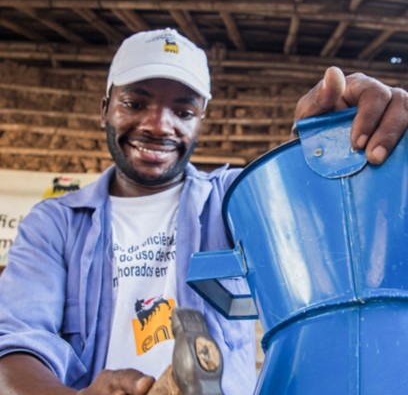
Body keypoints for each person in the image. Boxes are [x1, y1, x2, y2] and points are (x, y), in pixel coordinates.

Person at [0, 28, 406, 395]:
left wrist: (335, 140)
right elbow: (15, 344)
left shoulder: (237, 203)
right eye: (135, 102)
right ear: (106, 107)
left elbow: (331, 234)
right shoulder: (53, 224)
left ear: (201, 121)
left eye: (183, 111)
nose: (159, 125)